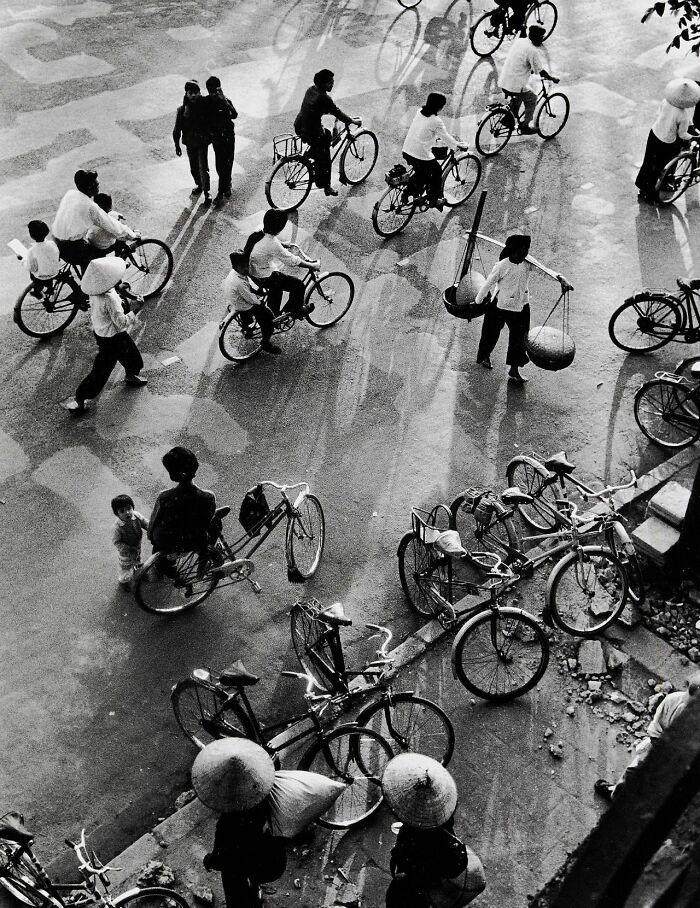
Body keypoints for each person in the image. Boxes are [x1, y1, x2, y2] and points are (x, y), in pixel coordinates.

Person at [595, 672, 700, 803]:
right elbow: (657, 727)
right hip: (658, 747)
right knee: (633, 772)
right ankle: (617, 796)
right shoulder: (673, 700)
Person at [66, 258, 147, 416]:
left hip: (101, 333)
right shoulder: (110, 299)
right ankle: (80, 398)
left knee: (131, 356)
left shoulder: (95, 292)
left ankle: (131, 373)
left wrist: (120, 289)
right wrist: (136, 308)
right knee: (101, 371)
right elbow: (121, 322)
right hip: (112, 338)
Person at [52, 170, 136, 271]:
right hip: (72, 248)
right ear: (89, 186)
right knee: (98, 261)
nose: (98, 183)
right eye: (95, 182)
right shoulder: (89, 206)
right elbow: (111, 224)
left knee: (89, 255)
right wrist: (131, 235)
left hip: (57, 240)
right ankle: (95, 284)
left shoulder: (71, 194)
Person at [293, 69, 361, 196]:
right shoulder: (324, 97)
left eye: (333, 82)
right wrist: (352, 121)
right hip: (312, 132)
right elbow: (337, 112)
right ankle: (327, 187)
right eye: (330, 83)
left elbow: (313, 108)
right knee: (326, 159)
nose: (332, 85)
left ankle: (313, 153)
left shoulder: (311, 90)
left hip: (300, 125)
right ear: (322, 84)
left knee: (327, 135)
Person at [635, 78, 700, 203]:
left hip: (655, 134)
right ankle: (652, 194)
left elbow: (659, 114)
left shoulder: (666, 102)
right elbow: (682, 134)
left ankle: (643, 187)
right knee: (661, 167)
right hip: (668, 142)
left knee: (649, 162)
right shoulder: (683, 115)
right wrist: (693, 137)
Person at [402, 92, 470, 210]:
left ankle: (408, 192)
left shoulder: (419, 112)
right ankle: (434, 200)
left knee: (421, 173)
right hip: (420, 154)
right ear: (439, 106)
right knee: (437, 171)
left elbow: (423, 130)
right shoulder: (436, 121)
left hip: (407, 150)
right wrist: (458, 145)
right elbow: (446, 137)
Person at [247, 209, 319, 320]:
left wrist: (282, 244)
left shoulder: (258, 232)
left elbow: (267, 241)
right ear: (279, 228)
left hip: (253, 272)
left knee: (278, 287)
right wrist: (311, 266)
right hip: (265, 276)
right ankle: (297, 311)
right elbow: (292, 260)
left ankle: (274, 313)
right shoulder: (273, 244)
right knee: (298, 285)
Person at [147, 447, 217, 556]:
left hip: (166, 542)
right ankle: (204, 558)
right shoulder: (208, 497)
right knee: (215, 524)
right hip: (193, 542)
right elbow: (206, 520)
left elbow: (153, 524)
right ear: (195, 466)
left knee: (161, 550)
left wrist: (151, 537)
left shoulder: (164, 497)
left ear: (172, 474)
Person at [498, 24, 559, 135]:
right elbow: (540, 71)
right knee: (532, 98)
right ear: (535, 37)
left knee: (520, 95)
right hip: (514, 84)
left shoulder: (520, 41)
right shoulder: (532, 51)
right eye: (541, 37)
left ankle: (507, 119)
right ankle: (525, 126)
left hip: (504, 80)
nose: (542, 39)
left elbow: (522, 60)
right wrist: (552, 78)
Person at [223, 253, 280, 355]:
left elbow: (247, 287)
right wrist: (260, 301)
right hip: (244, 304)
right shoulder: (239, 283)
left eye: (247, 265)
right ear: (235, 267)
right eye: (243, 267)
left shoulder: (235, 274)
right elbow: (250, 298)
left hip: (235, 300)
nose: (246, 269)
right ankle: (265, 343)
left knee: (257, 295)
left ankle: (246, 327)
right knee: (269, 321)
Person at [22, 220, 87, 305]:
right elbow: (56, 255)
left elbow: (31, 267)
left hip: (41, 276)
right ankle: (50, 288)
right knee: (50, 272)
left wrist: (23, 260)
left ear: (31, 236)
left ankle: (37, 292)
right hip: (55, 272)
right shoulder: (52, 244)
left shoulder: (32, 251)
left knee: (35, 277)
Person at [173, 80, 212, 206]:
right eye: (191, 93)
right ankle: (199, 185)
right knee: (194, 169)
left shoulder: (205, 106)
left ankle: (207, 193)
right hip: (190, 144)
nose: (194, 95)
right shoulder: (182, 110)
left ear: (200, 93)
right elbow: (176, 130)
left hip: (202, 143)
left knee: (203, 168)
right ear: (186, 94)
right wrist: (177, 145)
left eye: (196, 92)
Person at [205, 76, 238, 208]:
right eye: (211, 91)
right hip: (217, 139)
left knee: (228, 162)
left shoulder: (225, 100)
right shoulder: (207, 103)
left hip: (229, 137)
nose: (214, 94)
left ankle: (225, 187)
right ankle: (223, 188)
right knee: (220, 165)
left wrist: (223, 100)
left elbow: (234, 115)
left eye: (216, 90)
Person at [111, 494, 149, 586]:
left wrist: (150, 528)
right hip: (125, 554)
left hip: (137, 547)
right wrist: (129, 548)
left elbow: (145, 522)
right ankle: (124, 581)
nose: (127, 512)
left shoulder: (136, 516)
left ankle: (139, 573)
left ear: (133, 507)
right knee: (126, 569)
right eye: (122, 511)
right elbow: (117, 542)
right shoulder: (117, 527)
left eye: (129, 508)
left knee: (138, 561)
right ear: (117, 514)